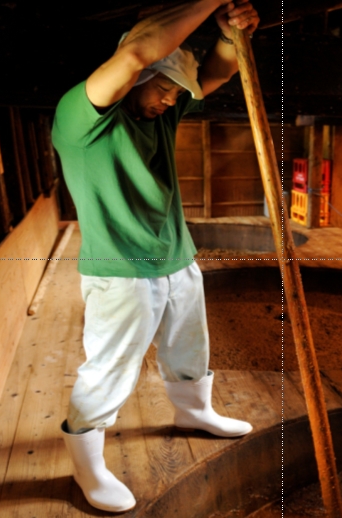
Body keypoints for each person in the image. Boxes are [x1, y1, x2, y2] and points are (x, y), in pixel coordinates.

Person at [51, 0, 260, 512]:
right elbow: (135, 53)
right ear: (138, 77)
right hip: (121, 268)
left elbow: (216, 73)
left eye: (176, 93)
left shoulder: (162, 114)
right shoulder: (80, 117)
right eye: (164, 86)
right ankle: (87, 464)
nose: (171, 99)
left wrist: (231, 34)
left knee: (190, 347)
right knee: (110, 368)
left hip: (177, 255)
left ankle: (194, 412)